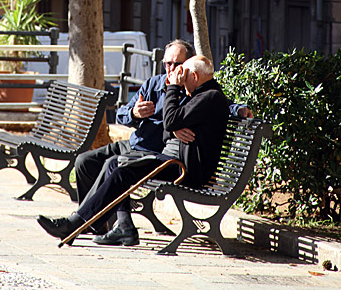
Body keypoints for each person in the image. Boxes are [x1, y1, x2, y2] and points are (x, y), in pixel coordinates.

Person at [37, 54, 229, 247]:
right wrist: (170, 126)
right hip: (171, 161)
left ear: (195, 76)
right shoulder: (196, 94)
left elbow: (170, 121)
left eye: (182, 72)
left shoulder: (208, 96)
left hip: (183, 169)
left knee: (122, 171)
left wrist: (172, 90)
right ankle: (110, 226)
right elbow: (167, 130)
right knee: (114, 163)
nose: (176, 75)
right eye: (168, 64)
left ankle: (74, 224)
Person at [73, 39, 251, 210]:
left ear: (187, 65)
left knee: (115, 165)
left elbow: (219, 103)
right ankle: (92, 220)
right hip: (135, 143)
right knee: (84, 161)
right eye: (167, 64)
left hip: (154, 151)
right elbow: (120, 115)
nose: (171, 69)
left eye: (176, 64)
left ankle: (93, 221)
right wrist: (134, 113)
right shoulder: (153, 84)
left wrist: (239, 109)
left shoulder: (190, 90)